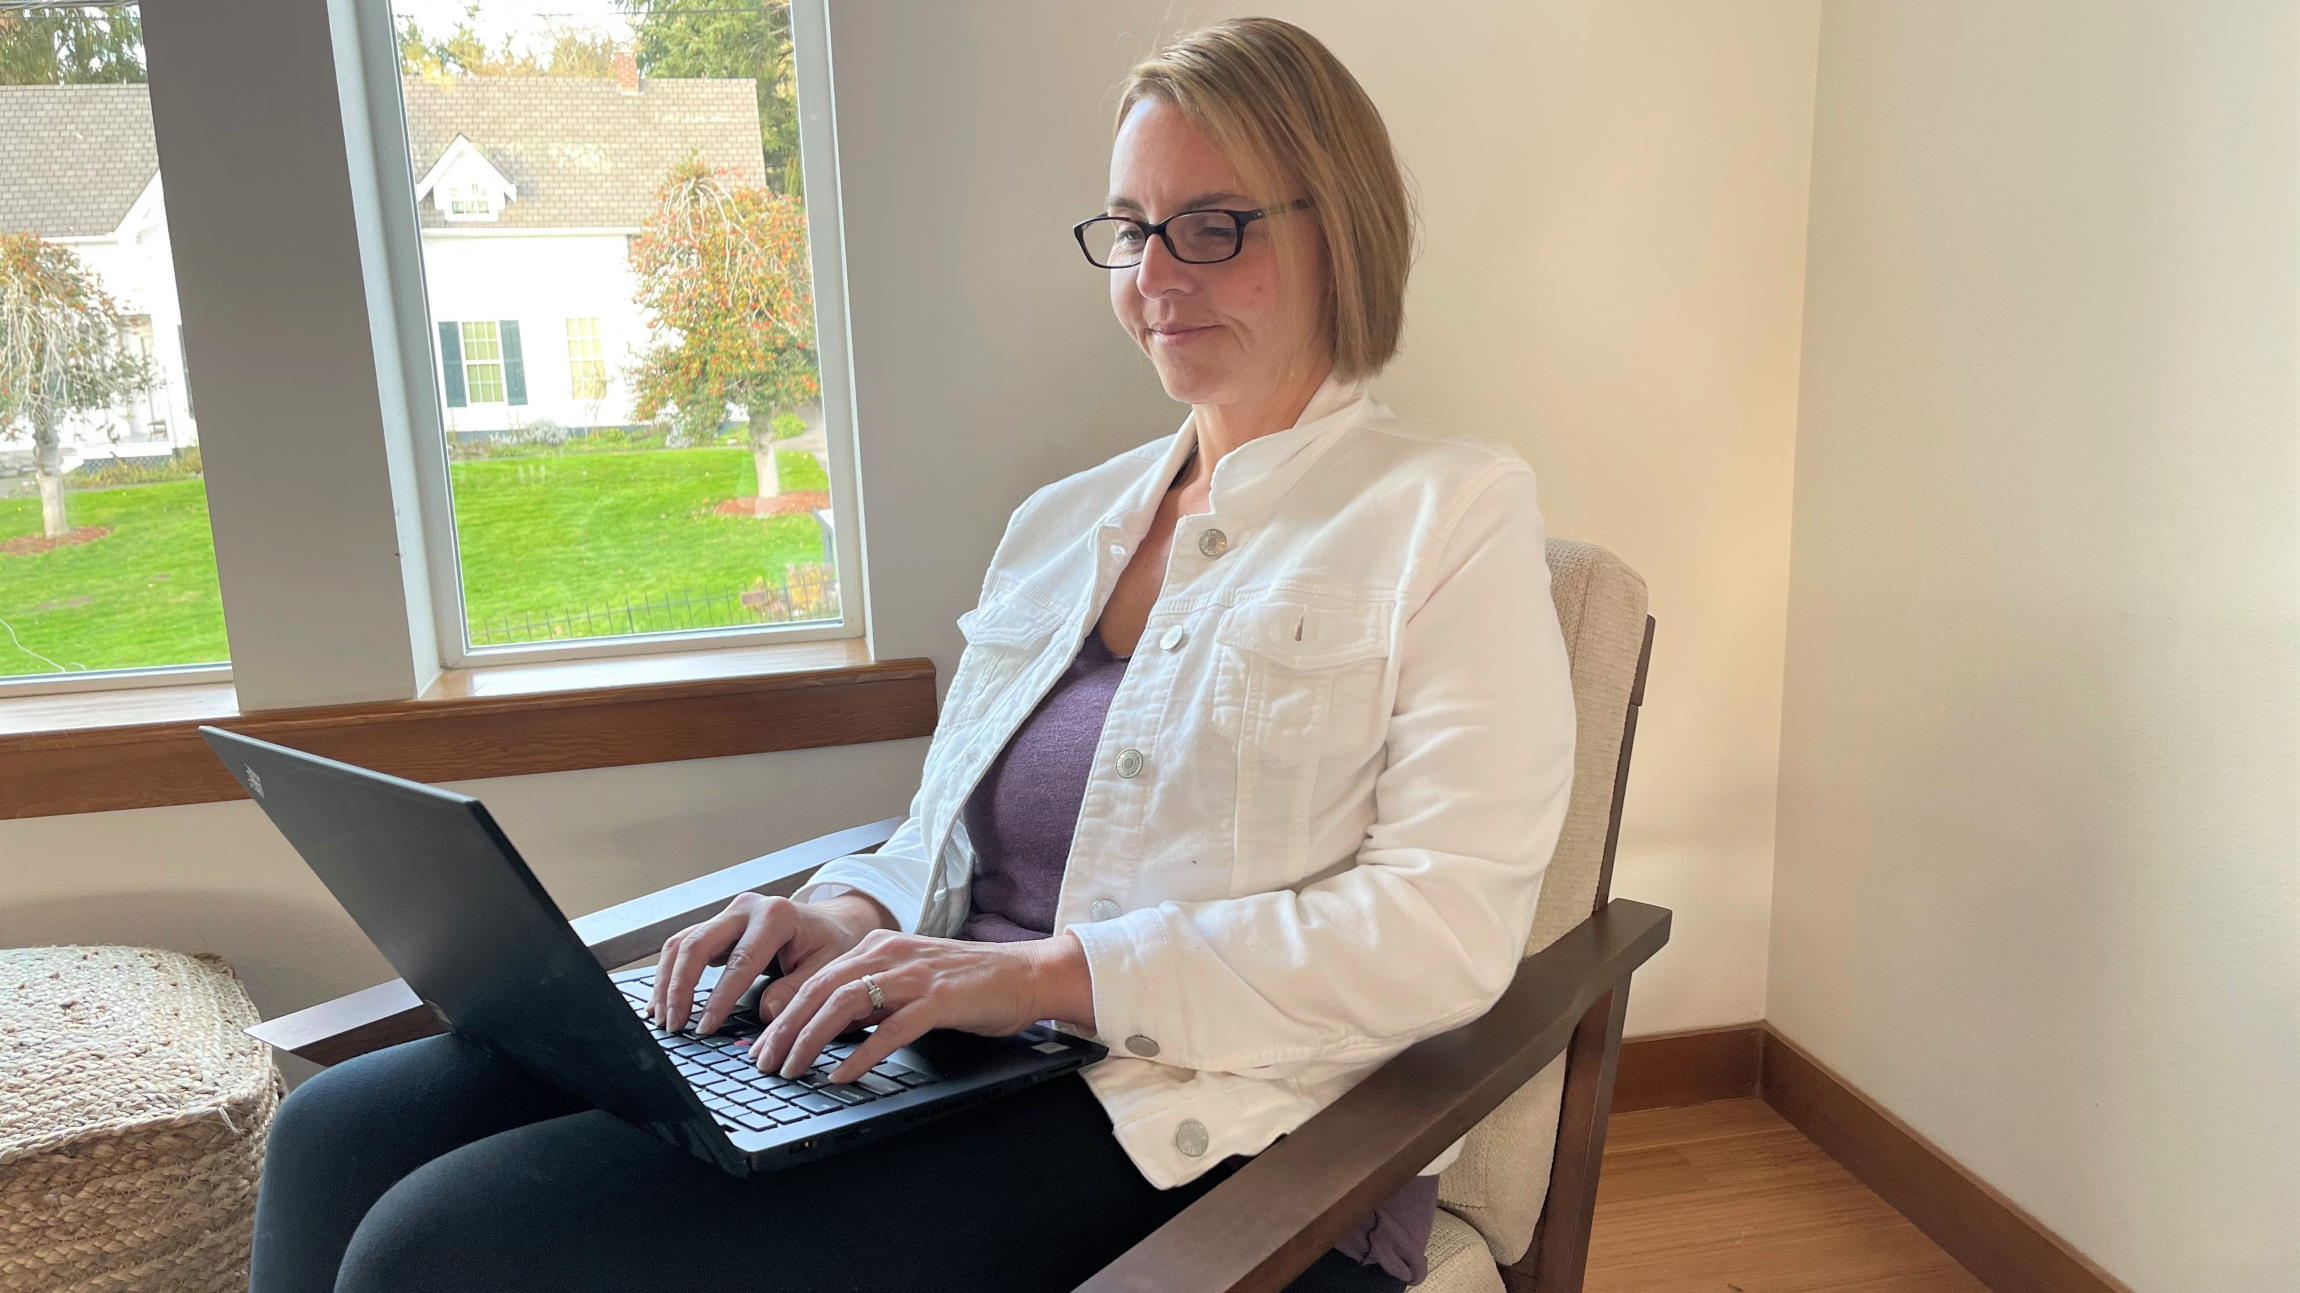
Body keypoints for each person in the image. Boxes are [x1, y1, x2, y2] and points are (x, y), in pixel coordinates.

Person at [248, 16, 1575, 1293]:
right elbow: (948, 831)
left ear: (1339, 228)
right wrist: (846, 916)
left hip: (1173, 1109)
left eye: (1212, 227)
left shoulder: (1443, 514)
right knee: (339, 1136)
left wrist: (1048, 977)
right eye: (1129, 229)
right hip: (938, 1034)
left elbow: (1443, 926)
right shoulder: (1066, 526)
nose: (1155, 278)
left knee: (445, 1248)